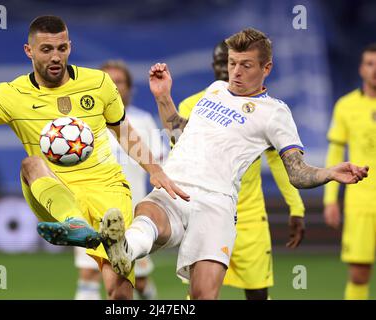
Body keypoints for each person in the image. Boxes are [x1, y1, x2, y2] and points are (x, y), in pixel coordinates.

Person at [99, 28, 369, 300]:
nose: (235, 71)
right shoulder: (215, 90)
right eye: (232, 63)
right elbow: (179, 135)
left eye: (246, 65)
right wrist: (163, 98)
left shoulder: (275, 113)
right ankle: (125, 250)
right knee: (147, 211)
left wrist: (330, 173)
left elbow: (297, 172)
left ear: (267, 68)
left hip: (216, 206)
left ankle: (127, 249)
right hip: (175, 187)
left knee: (202, 296)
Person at [0, 15, 188, 300]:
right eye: (46, 49)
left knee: (119, 293)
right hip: (55, 189)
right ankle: (74, 223)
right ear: (28, 51)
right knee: (31, 163)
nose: (56, 56)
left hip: (108, 190)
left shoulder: (99, 83)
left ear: (69, 47)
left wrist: (154, 169)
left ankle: (90, 235)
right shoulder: (10, 95)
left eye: (62, 48)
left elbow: (124, 132)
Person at [177, 40, 305, 300]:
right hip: (206, 213)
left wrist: (297, 206)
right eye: (225, 64)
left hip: (248, 215)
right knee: (200, 293)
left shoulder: (264, 111)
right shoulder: (193, 105)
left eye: (241, 65)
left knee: (257, 294)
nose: (231, 72)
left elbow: (280, 162)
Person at [74, 60, 162, 300]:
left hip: (131, 214)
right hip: (91, 211)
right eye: (106, 81)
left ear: (129, 88)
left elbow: (160, 165)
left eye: (119, 81)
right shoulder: (81, 124)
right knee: (89, 273)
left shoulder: (142, 121)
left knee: (136, 281)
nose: (113, 86)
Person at [323, 43, 376, 300]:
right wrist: (330, 199)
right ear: (361, 69)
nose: (375, 70)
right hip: (361, 203)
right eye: (370, 64)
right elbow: (335, 154)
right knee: (358, 273)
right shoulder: (345, 106)